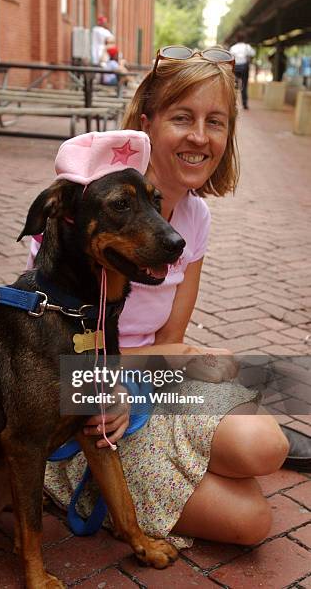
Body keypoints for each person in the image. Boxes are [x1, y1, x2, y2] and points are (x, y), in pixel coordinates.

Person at [27, 47, 290, 549]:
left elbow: (169, 339)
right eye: (182, 118)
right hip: (81, 396)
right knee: (251, 523)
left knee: (266, 447)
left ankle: (173, 465)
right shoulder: (90, 207)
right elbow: (49, 348)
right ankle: (68, 484)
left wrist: (186, 358)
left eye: (215, 121)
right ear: (146, 123)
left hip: (141, 379)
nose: (199, 137)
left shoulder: (195, 217)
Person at [230, 32, 255, 109]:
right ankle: (244, 103)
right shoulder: (247, 47)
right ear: (244, 39)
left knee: (234, 86)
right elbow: (253, 53)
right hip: (244, 67)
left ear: (236, 39)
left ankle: (232, 103)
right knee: (245, 85)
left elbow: (231, 57)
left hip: (236, 67)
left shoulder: (233, 47)